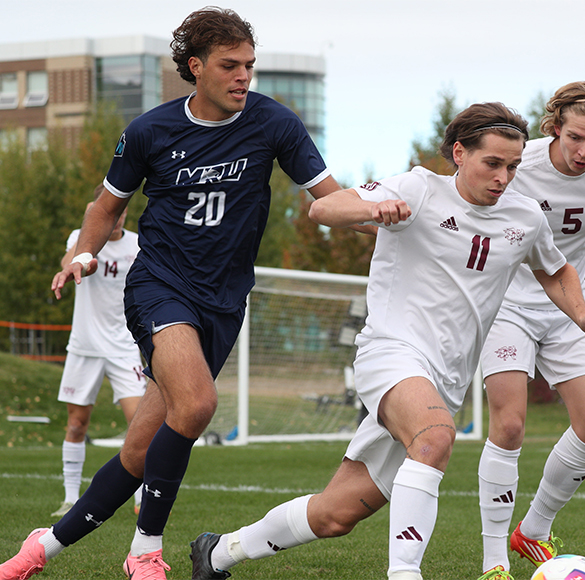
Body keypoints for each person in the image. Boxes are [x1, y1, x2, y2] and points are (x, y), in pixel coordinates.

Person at [187, 102, 585, 580]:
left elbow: (555, 269)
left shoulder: (524, 216)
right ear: (459, 153)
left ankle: (218, 553)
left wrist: (582, 315)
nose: (503, 177)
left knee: (337, 513)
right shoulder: (418, 187)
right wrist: (373, 207)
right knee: (436, 436)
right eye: (492, 163)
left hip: (444, 382)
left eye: (513, 166)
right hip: (391, 354)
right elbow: (323, 207)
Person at [0, 7, 342, 580]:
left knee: (139, 452)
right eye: (230, 66)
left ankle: (42, 548)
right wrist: (80, 255)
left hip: (224, 303)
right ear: (195, 66)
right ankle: (145, 551)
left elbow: (328, 198)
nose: (243, 77)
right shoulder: (149, 131)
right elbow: (104, 207)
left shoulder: (274, 123)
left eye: (250, 66)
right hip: (159, 286)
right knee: (200, 405)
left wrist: (388, 209)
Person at [474, 81, 585, 579]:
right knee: (511, 424)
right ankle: (495, 560)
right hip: (505, 306)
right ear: (555, 126)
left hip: (572, 307)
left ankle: (534, 530)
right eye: (576, 138)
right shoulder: (520, 165)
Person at [50, 185, 147, 519]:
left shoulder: (137, 244)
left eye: (122, 211)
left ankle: (141, 498)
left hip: (123, 346)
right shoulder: (82, 236)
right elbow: (74, 264)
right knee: (77, 424)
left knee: (140, 424)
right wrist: (87, 235)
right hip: (85, 346)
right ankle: (69, 498)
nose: (117, 217)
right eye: (111, 210)